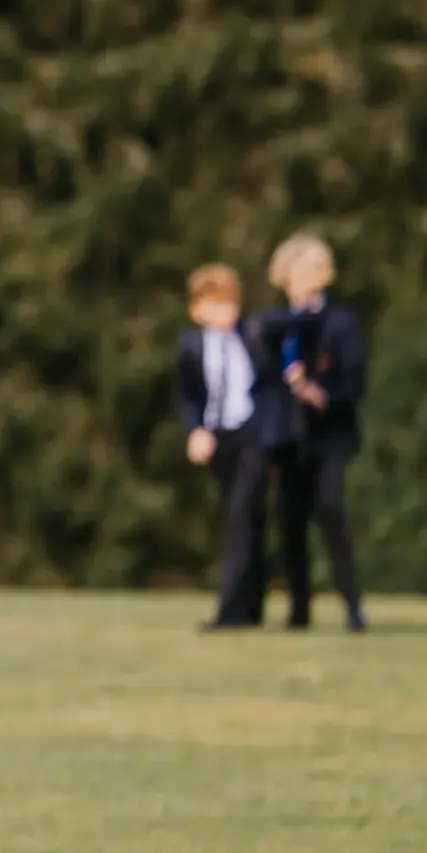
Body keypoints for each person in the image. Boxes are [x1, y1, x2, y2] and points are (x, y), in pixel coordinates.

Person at [252, 233, 368, 632]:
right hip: (287, 437)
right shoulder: (275, 325)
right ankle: (299, 609)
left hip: (328, 436)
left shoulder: (342, 323)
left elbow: (353, 381)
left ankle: (352, 605)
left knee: (331, 510)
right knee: (290, 520)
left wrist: (323, 395)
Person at [178, 263, 282, 630]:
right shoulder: (191, 347)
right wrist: (196, 431)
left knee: (241, 515)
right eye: (216, 304)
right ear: (197, 309)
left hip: (252, 435)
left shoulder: (253, 337)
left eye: (230, 303)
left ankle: (231, 612)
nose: (226, 312)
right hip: (219, 439)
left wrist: (271, 435)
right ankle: (252, 605)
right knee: (246, 519)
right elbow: (189, 397)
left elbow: (272, 386)